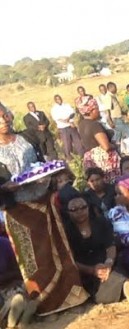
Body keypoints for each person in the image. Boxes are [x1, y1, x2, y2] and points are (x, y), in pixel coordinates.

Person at [0, 103, 88, 316]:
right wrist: (4, 187)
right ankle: (44, 304)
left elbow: (42, 160)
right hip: (18, 209)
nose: (4, 121)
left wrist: (50, 173)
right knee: (33, 257)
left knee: (57, 247)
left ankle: (72, 296)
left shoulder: (26, 137)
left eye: (4, 116)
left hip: (43, 200)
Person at [64, 194, 129, 303]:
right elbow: (69, 260)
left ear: (88, 207)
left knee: (114, 273)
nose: (80, 211)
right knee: (99, 287)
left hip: (107, 262)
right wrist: (92, 270)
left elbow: (110, 246)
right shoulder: (65, 232)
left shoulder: (101, 222)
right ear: (68, 212)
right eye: (74, 209)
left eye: (83, 207)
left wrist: (108, 263)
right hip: (85, 270)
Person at [76, 96, 121, 183]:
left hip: (91, 159)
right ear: (91, 110)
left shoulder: (81, 124)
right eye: (96, 108)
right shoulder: (94, 125)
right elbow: (106, 147)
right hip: (103, 160)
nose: (99, 111)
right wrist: (116, 145)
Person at [50, 95, 84, 160]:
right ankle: (70, 158)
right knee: (67, 144)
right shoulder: (54, 109)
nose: (59, 100)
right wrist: (68, 122)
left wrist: (69, 119)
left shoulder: (67, 105)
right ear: (55, 100)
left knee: (78, 142)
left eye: (59, 98)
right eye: (57, 99)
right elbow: (57, 118)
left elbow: (72, 113)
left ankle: (82, 156)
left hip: (71, 126)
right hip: (63, 128)